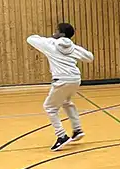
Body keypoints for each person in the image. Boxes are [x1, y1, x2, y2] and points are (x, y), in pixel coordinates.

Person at [26, 22, 94, 151]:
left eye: (56, 31)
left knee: (49, 107)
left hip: (61, 80)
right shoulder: (74, 48)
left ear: (61, 34)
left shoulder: (50, 44)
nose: (54, 32)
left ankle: (61, 136)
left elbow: (30, 38)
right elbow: (90, 58)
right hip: (75, 79)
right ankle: (77, 129)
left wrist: (50, 40)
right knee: (66, 102)